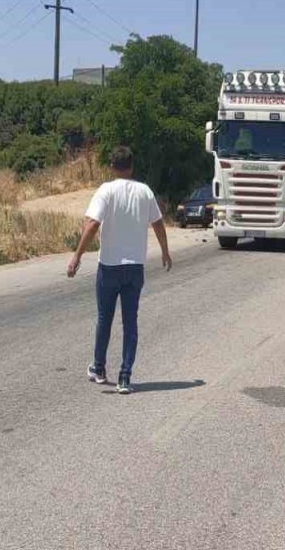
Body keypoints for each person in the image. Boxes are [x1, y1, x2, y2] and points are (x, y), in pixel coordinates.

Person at [67, 146, 172, 394]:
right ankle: (125, 377)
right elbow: (158, 223)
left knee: (105, 318)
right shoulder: (144, 191)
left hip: (110, 266)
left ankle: (99, 368)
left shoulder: (106, 190)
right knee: (130, 322)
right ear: (132, 166)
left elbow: (92, 224)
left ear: (111, 167)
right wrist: (165, 252)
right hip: (135, 266)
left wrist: (77, 256)